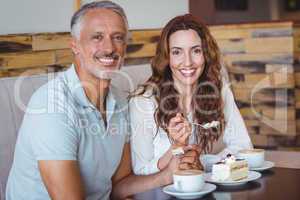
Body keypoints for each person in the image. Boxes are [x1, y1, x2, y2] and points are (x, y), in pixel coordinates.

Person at [6, 1, 131, 199]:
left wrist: (166, 174)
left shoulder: (121, 101)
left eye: (118, 37)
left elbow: (121, 187)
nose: (109, 48)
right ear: (75, 45)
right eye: (97, 37)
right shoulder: (51, 106)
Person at [128, 14, 253, 177]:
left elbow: (243, 146)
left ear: (206, 54)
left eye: (195, 51)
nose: (187, 62)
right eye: (177, 52)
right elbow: (141, 168)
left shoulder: (219, 90)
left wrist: (203, 162)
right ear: (167, 57)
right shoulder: (144, 101)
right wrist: (174, 150)